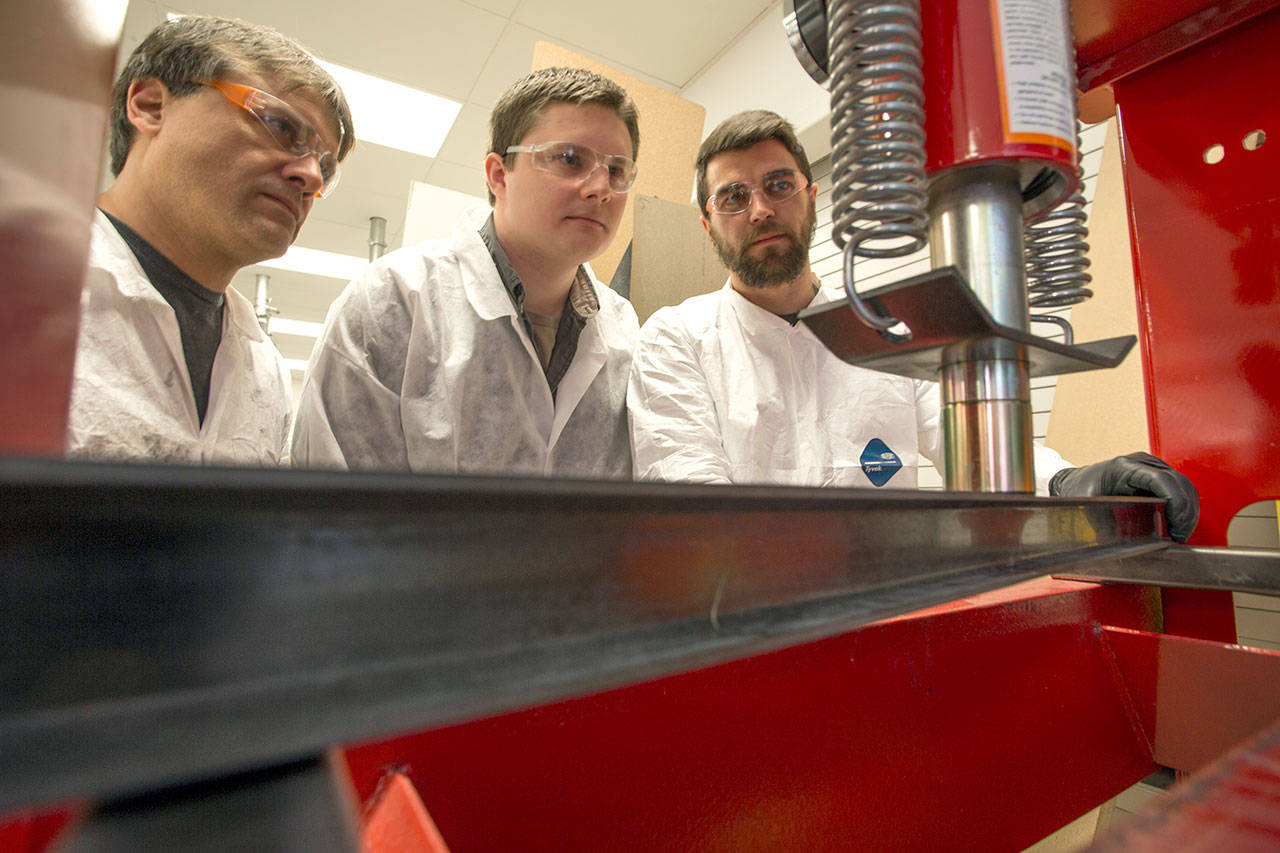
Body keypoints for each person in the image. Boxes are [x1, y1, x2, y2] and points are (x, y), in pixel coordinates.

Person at [627, 110, 1199, 541]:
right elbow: (691, 503)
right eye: (733, 196)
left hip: (886, 616)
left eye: (778, 185)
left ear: (811, 196)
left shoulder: (892, 331)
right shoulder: (677, 338)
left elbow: (972, 447)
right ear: (707, 224)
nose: (759, 210)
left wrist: (1071, 485)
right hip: (741, 627)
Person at [292, 67, 640, 478]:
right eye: (570, 159)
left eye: (617, 171)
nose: (600, 187)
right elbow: (330, 505)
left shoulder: (624, 328)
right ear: (498, 175)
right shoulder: (395, 299)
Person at [66, 15, 354, 465]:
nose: (310, 175)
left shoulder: (265, 369)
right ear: (150, 106)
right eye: (280, 125)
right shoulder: (30, 281)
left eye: (326, 168)